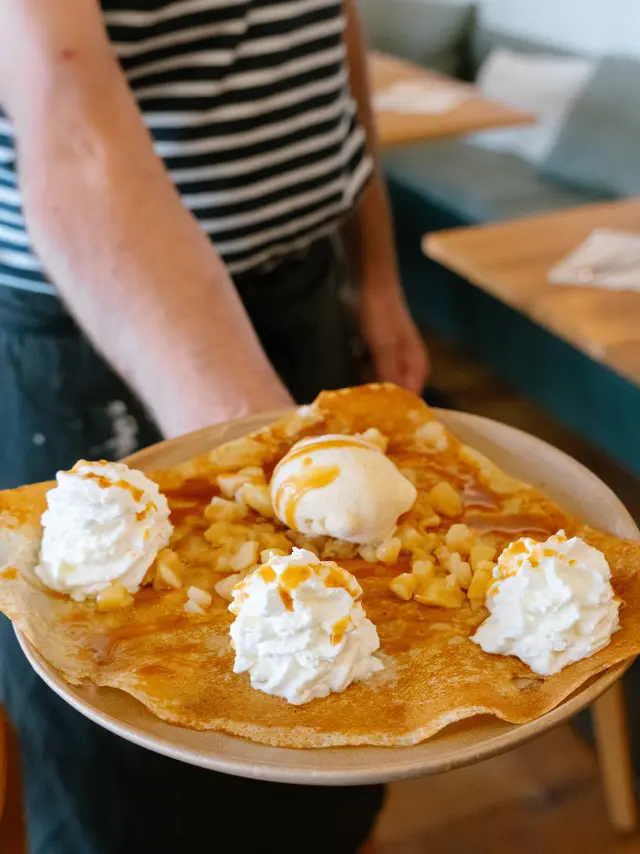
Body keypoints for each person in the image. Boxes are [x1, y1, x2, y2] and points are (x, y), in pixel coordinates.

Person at [0, 1, 429, 852]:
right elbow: (67, 95)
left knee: (345, 720)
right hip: (101, 320)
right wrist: (262, 446)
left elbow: (328, 28)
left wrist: (376, 274)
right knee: (125, 791)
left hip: (308, 280)